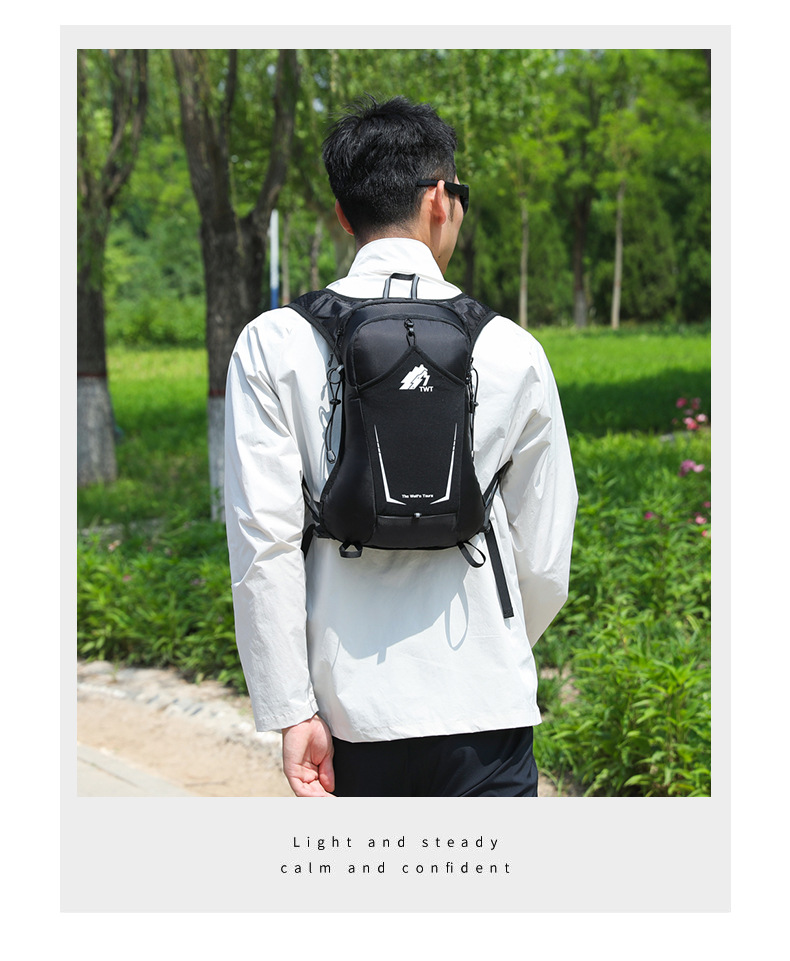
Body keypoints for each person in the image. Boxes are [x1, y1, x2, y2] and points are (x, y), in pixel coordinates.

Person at [224, 95, 577, 797]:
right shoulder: (512, 348)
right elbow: (545, 553)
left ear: (343, 215)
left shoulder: (274, 342)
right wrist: (497, 645)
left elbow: (263, 541)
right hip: (485, 709)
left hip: (348, 713)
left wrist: (292, 708)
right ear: (440, 199)